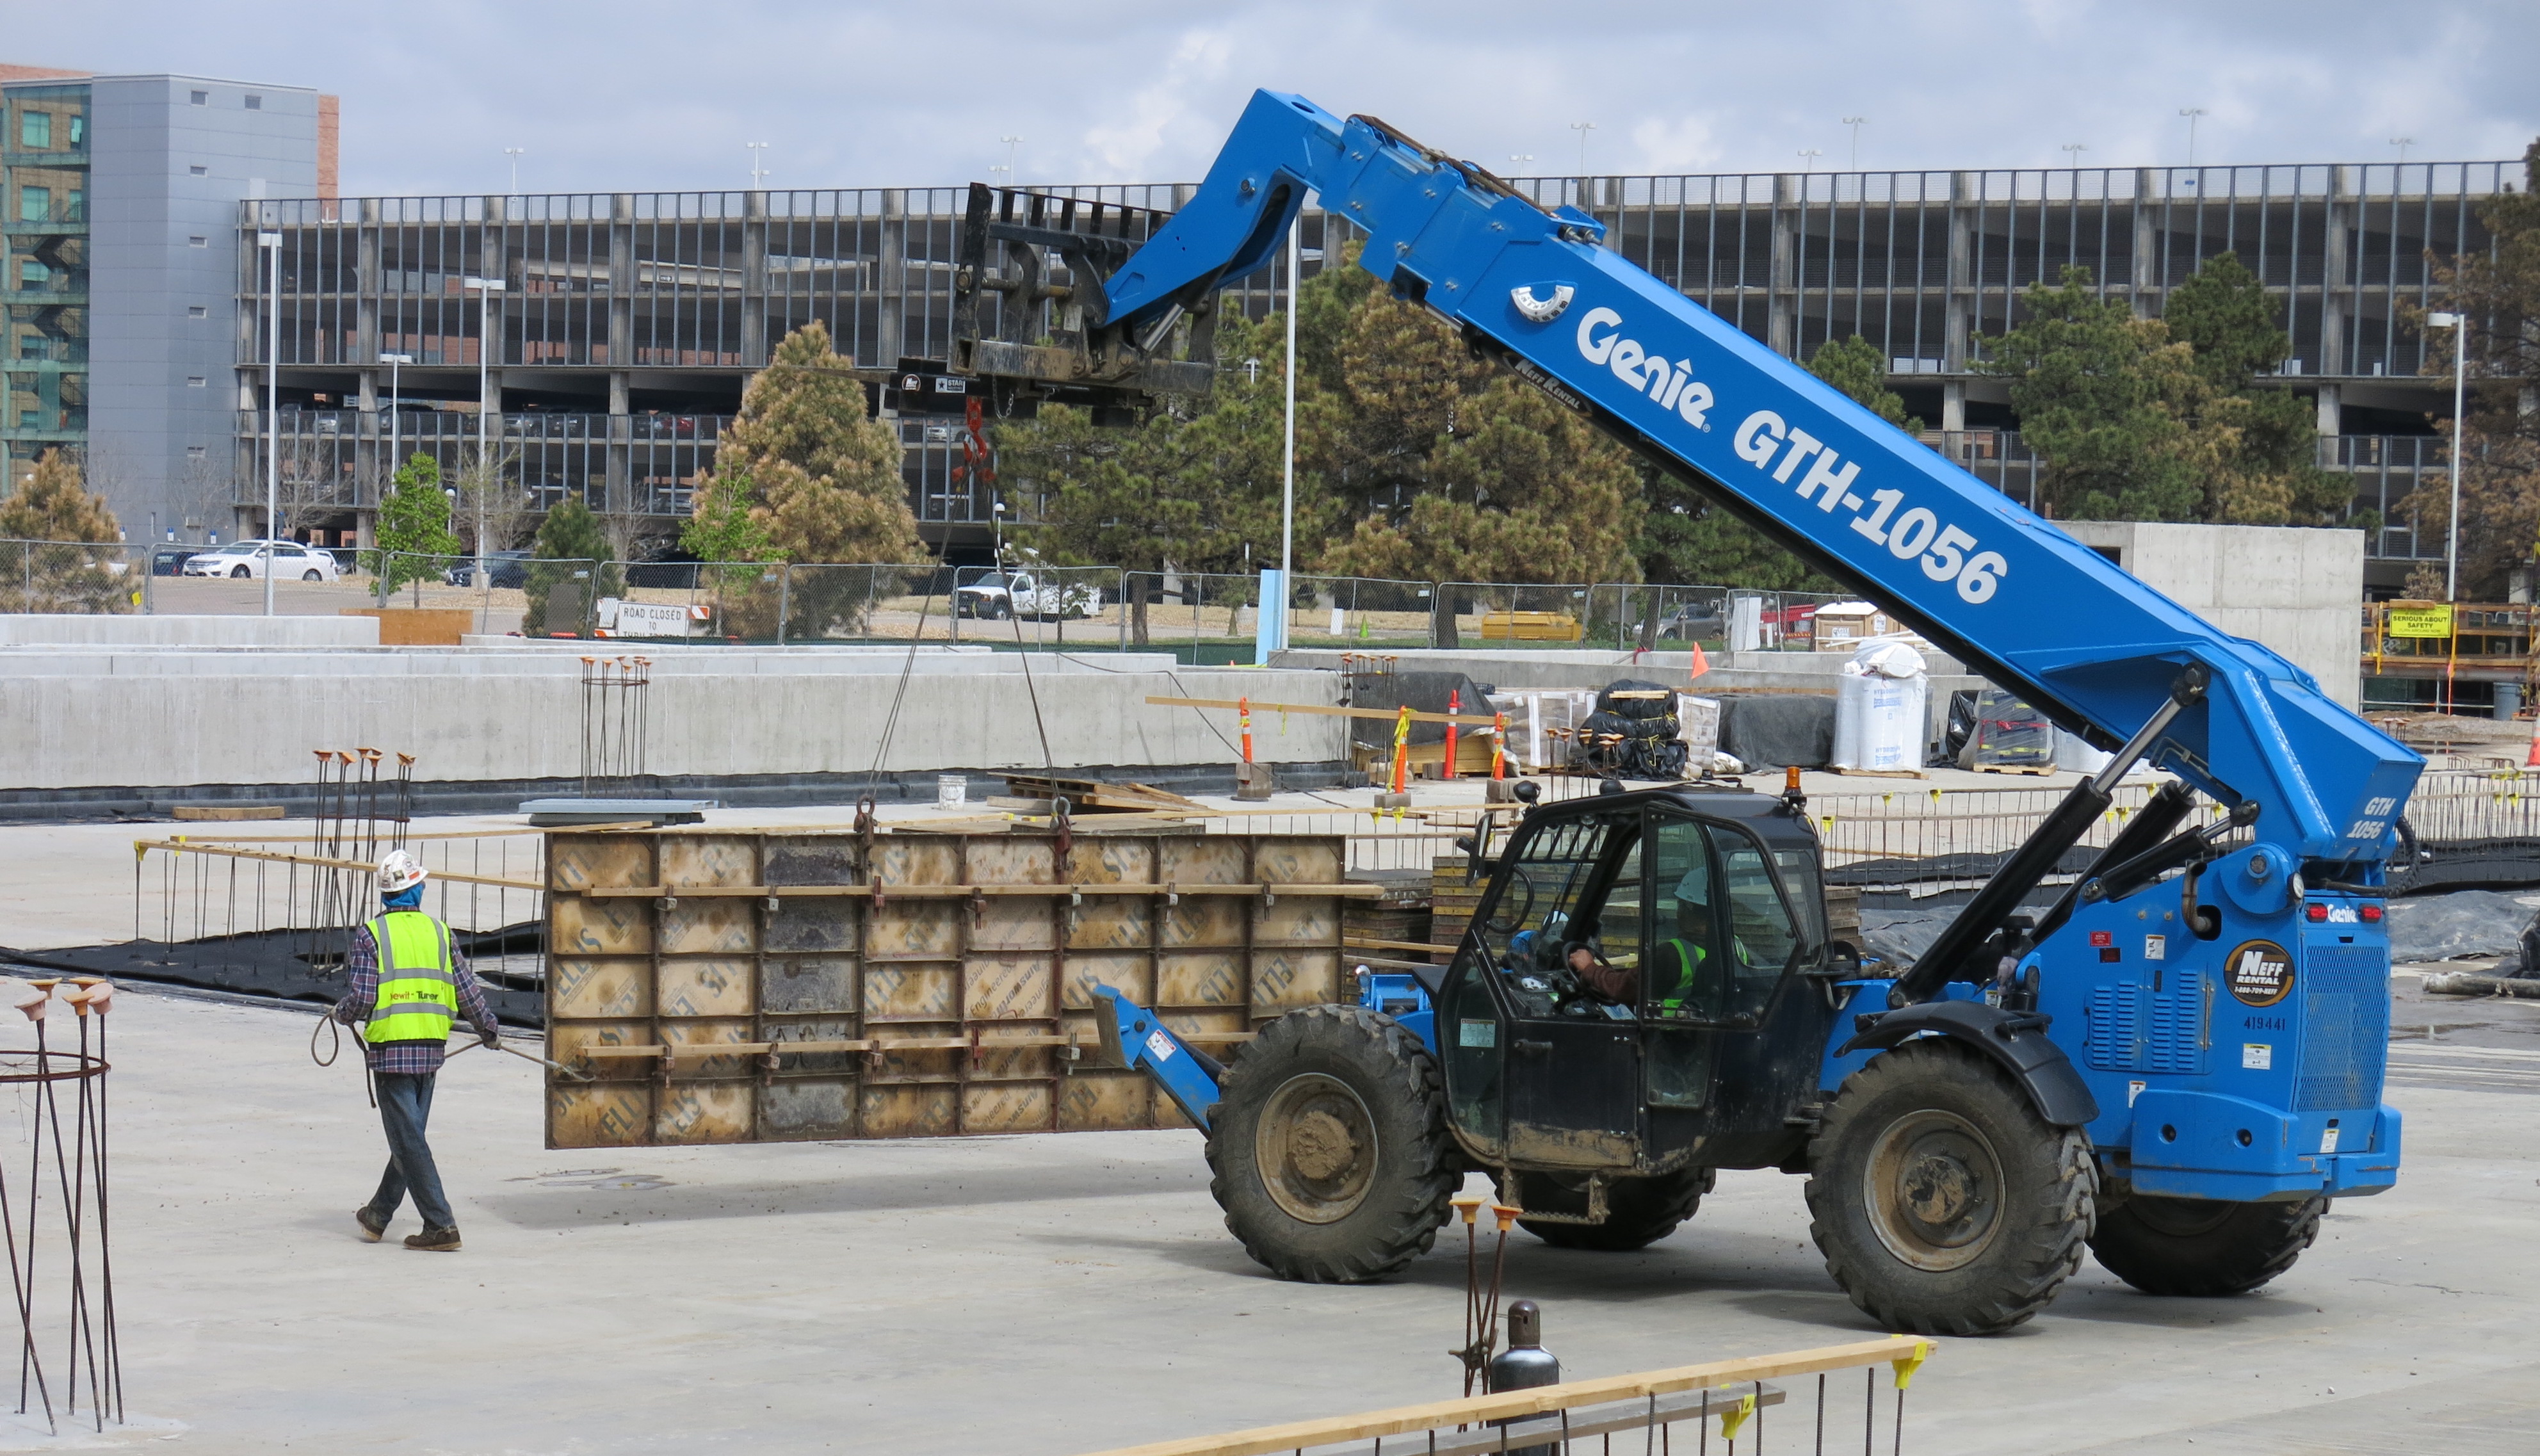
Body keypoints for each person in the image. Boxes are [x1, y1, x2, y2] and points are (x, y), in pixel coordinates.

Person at [334, 850, 500, 1252]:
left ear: (386, 896)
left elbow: (361, 997)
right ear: (418, 889)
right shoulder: (441, 932)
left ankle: (441, 1226)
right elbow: (467, 990)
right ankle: (377, 1214)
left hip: (392, 1050)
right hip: (430, 1048)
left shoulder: (371, 936)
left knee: (408, 1140)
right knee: (411, 1138)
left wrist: (341, 1014)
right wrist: (488, 1028)